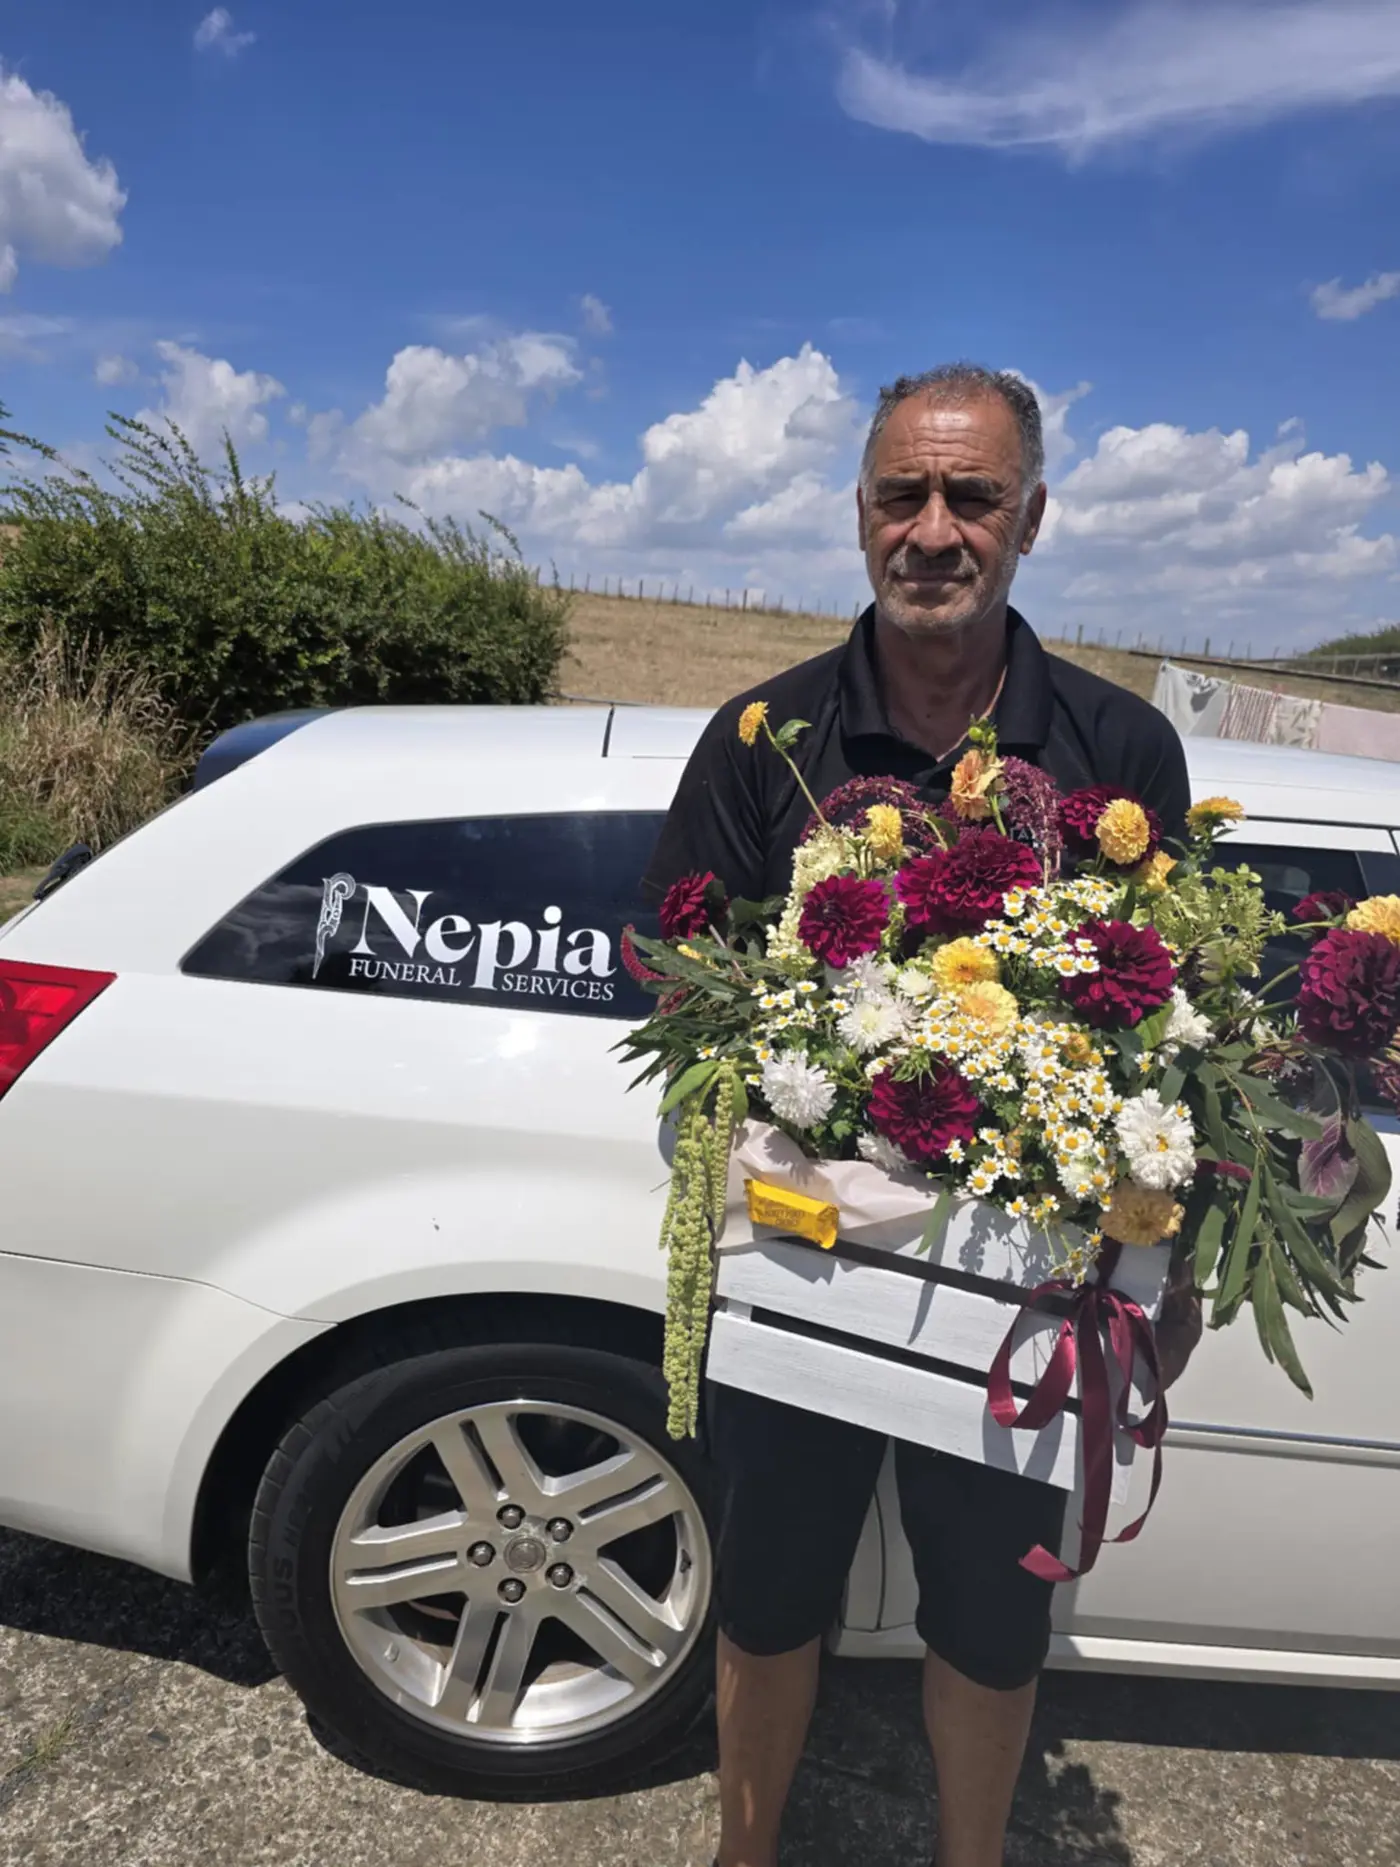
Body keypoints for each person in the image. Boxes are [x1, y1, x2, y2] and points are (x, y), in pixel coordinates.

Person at [643, 364, 1203, 1867]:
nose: (935, 529)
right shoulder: (764, 739)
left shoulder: (1118, 751)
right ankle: (743, 1852)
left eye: (971, 496)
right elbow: (681, 991)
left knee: (990, 1619)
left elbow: (1169, 1040)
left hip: (1015, 1305)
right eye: (904, 495)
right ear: (860, 517)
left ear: (1031, 516)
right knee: (767, 1599)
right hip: (802, 1273)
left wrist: (1177, 1274)